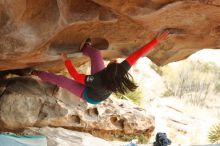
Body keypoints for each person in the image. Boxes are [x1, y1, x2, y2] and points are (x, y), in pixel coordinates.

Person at [32, 31, 169, 104]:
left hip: (90, 96)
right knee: (96, 53)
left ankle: (35, 72)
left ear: (107, 70)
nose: (113, 60)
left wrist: (66, 60)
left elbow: (75, 76)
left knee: (61, 80)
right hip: (100, 86)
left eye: (112, 62)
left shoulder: (96, 79)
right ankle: (86, 47)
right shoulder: (120, 71)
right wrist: (156, 40)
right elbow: (138, 54)